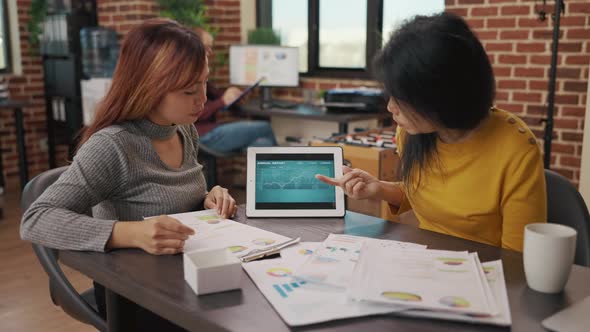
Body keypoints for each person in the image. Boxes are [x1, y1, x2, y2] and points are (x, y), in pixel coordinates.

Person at [20, 19, 237, 330]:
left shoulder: (184, 130)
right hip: (136, 294)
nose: (202, 99)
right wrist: (130, 233)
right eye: (190, 90)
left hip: (187, 276)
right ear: (150, 85)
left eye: (204, 82)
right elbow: (36, 219)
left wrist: (207, 198)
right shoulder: (112, 145)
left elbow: (166, 198)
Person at [316, 13, 546, 252]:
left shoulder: (515, 148)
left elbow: (517, 262)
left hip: (486, 272)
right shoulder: (411, 133)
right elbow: (426, 192)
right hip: (428, 261)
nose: (390, 107)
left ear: (442, 96)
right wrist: (379, 188)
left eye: (402, 97)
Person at [194, 28, 277, 153]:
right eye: (206, 47)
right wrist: (222, 101)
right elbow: (194, 113)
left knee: (263, 144)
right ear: (192, 48)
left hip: (213, 130)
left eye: (211, 48)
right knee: (265, 127)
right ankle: (280, 171)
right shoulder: (188, 77)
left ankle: (263, 172)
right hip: (203, 136)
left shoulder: (201, 74)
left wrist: (233, 96)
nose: (210, 52)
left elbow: (216, 94)